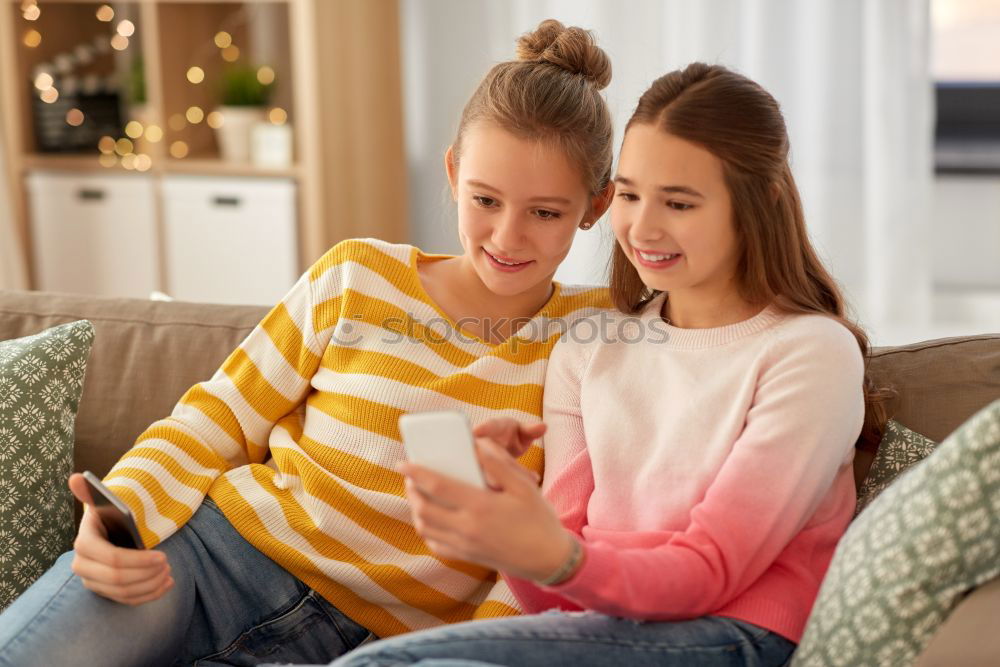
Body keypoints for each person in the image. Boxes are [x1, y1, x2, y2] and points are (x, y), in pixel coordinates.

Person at [0, 20, 617, 667]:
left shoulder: (592, 341)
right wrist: (118, 514)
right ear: (454, 171)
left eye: (546, 212)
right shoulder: (358, 276)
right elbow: (219, 416)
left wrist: (480, 648)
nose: (507, 236)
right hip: (211, 561)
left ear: (596, 206)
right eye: (485, 199)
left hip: (381, 645)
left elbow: (552, 542)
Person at [322, 62, 890, 667]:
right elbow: (551, 595)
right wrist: (513, 521)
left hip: (731, 633)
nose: (643, 227)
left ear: (760, 201)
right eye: (630, 193)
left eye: (679, 202)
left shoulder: (809, 352)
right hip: (603, 630)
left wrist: (556, 557)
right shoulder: (589, 346)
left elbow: (709, 571)